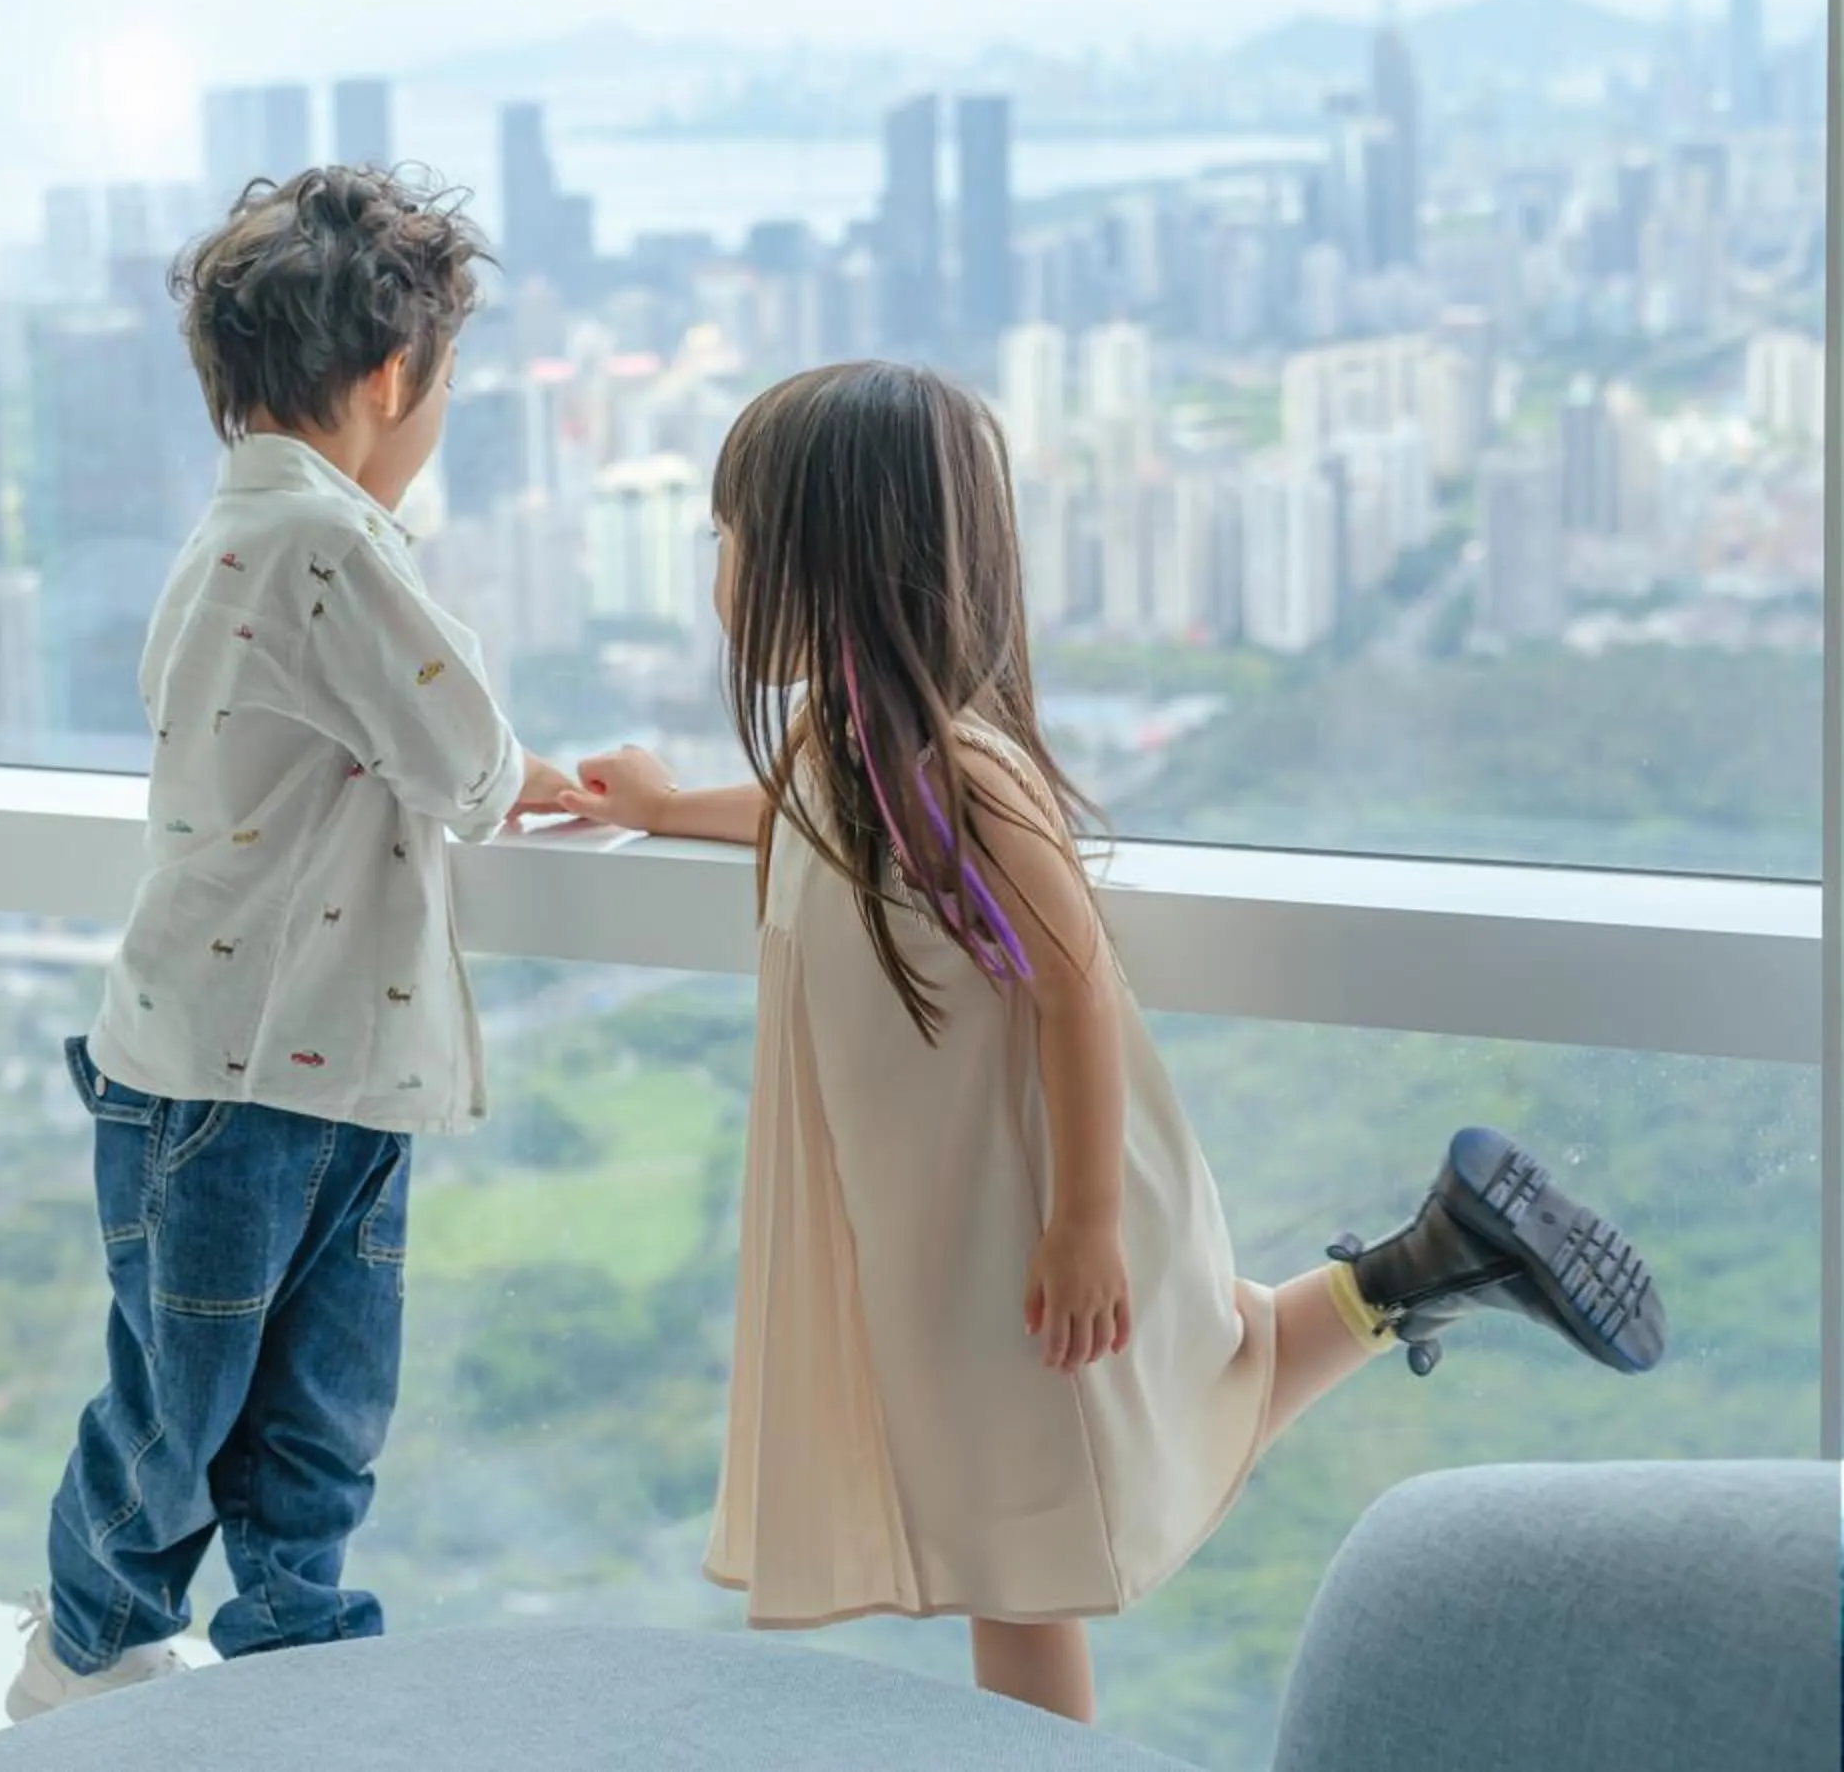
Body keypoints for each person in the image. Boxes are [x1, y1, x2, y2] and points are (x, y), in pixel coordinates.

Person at [555, 361, 1666, 1725]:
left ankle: (1423, 1270)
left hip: (1016, 1218)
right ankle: (1432, 1259)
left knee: (1024, 1561)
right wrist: (668, 808)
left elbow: (1076, 982)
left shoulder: (953, 775)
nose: (715, 573)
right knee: (1179, 1394)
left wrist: (1080, 1222)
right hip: (952, 1218)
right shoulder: (844, 748)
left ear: (823, 558)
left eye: (729, 539)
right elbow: (801, 821)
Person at [9, 167, 565, 1722]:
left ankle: (292, 1669)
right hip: (248, 1074)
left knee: (290, 1404)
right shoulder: (325, 541)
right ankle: (82, 1654)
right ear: (396, 376)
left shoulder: (241, 531)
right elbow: (468, 764)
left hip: (297, 1061)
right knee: (214, 1407)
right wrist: (528, 768)